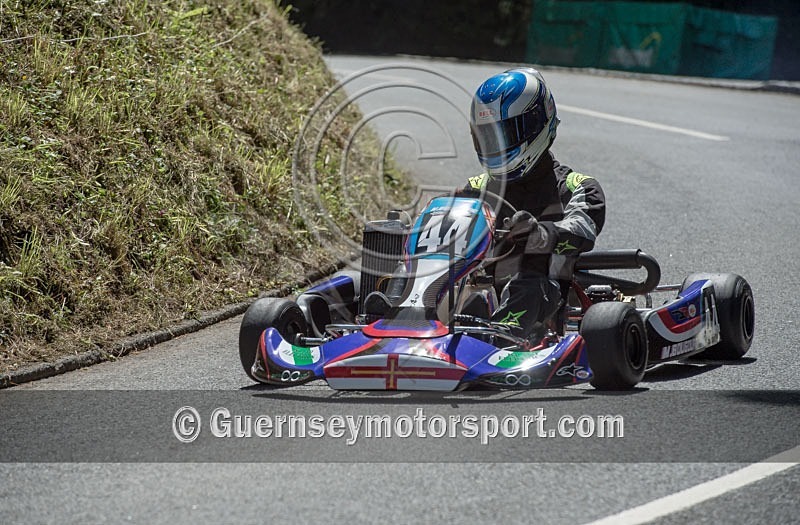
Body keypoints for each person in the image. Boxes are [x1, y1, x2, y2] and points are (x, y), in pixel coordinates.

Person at [463, 67, 606, 345]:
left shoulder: (578, 187)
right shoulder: (475, 189)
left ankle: (498, 339)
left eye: (503, 135)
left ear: (537, 124)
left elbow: (581, 230)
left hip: (546, 293)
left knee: (526, 285)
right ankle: (390, 321)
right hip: (477, 291)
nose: (495, 145)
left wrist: (539, 233)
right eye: (487, 137)